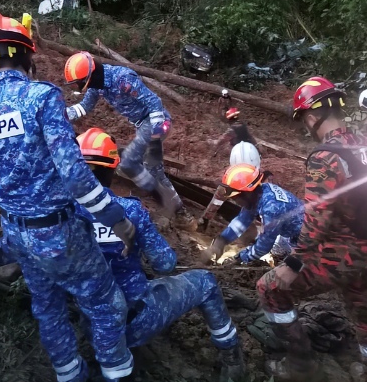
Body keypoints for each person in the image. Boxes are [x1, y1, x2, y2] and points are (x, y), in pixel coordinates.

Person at [0, 14, 136, 382]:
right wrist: (117, 219)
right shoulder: (43, 97)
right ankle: (118, 373)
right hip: (59, 234)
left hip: (17, 235)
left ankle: (70, 375)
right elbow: (73, 173)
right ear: (28, 56)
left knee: (48, 307)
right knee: (104, 303)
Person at [76, 128, 246, 382]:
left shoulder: (61, 216)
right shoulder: (129, 210)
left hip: (89, 324)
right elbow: (165, 264)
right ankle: (233, 359)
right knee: (205, 282)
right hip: (133, 321)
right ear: (113, 169)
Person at [257, 76, 367, 382]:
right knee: (366, 315)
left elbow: (316, 219)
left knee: (269, 288)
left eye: (305, 120)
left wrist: (292, 263)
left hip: (344, 252)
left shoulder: (324, 157)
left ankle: (301, 366)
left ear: (313, 117)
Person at [62, 51, 196, 230]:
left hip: (156, 121)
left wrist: (155, 137)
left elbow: (154, 102)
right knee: (155, 171)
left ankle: (161, 199)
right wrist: (59, 115)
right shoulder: (97, 85)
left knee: (128, 162)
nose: (79, 87)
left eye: (79, 83)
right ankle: (181, 212)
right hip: (142, 125)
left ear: (89, 76)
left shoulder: (122, 78)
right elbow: (84, 107)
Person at [201, 165, 303, 265]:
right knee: (278, 253)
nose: (234, 200)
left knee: (291, 268)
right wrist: (222, 240)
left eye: (235, 197)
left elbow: (264, 245)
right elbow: (242, 220)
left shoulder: (271, 208)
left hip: (307, 237)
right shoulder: (260, 193)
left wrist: (240, 258)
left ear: (247, 193)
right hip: (292, 230)